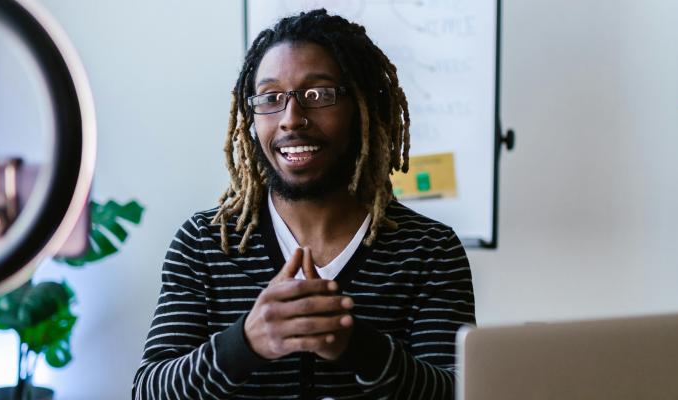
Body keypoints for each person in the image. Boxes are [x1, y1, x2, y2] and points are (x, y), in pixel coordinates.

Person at [132, 9, 474, 399]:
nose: (291, 119)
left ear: (363, 110)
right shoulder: (205, 243)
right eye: (271, 97)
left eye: (318, 94)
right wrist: (244, 343)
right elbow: (149, 390)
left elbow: (460, 392)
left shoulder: (430, 250)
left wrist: (359, 347)